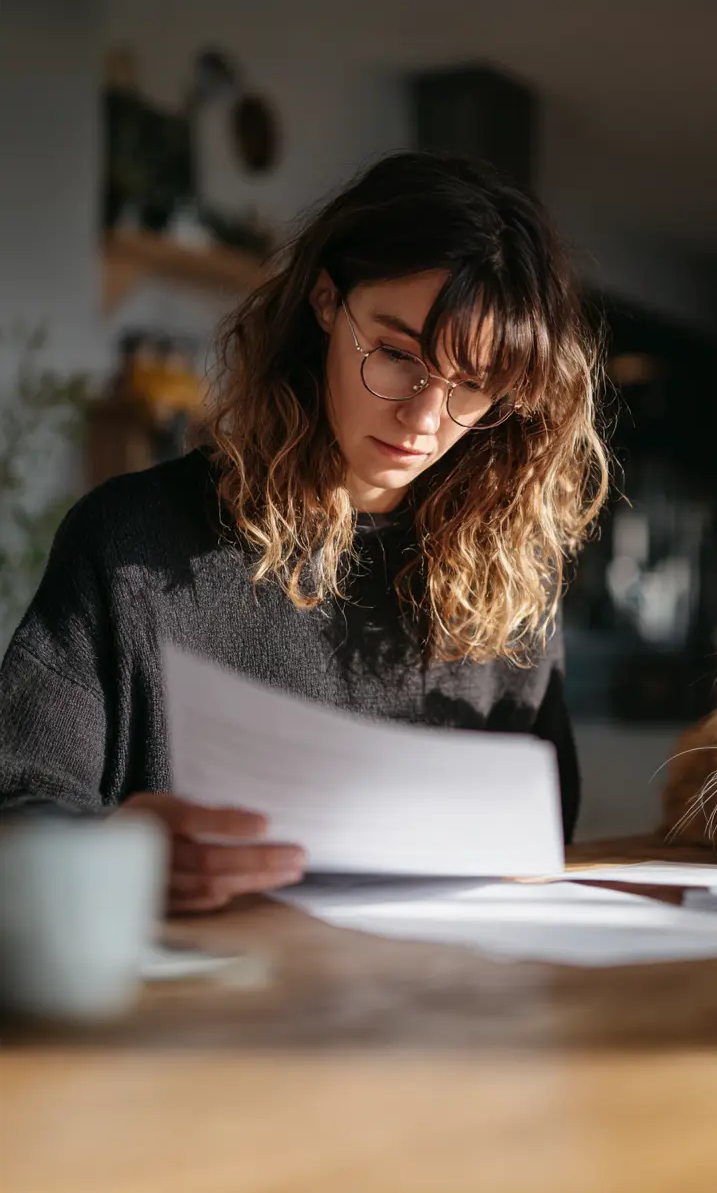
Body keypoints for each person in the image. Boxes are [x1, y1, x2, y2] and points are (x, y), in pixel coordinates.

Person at [0, 153, 610, 912]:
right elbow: (16, 805)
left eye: (474, 386)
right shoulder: (132, 544)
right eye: (396, 355)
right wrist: (113, 848)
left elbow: (544, 844)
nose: (423, 419)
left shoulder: (512, 586)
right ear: (326, 300)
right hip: (201, 1014)